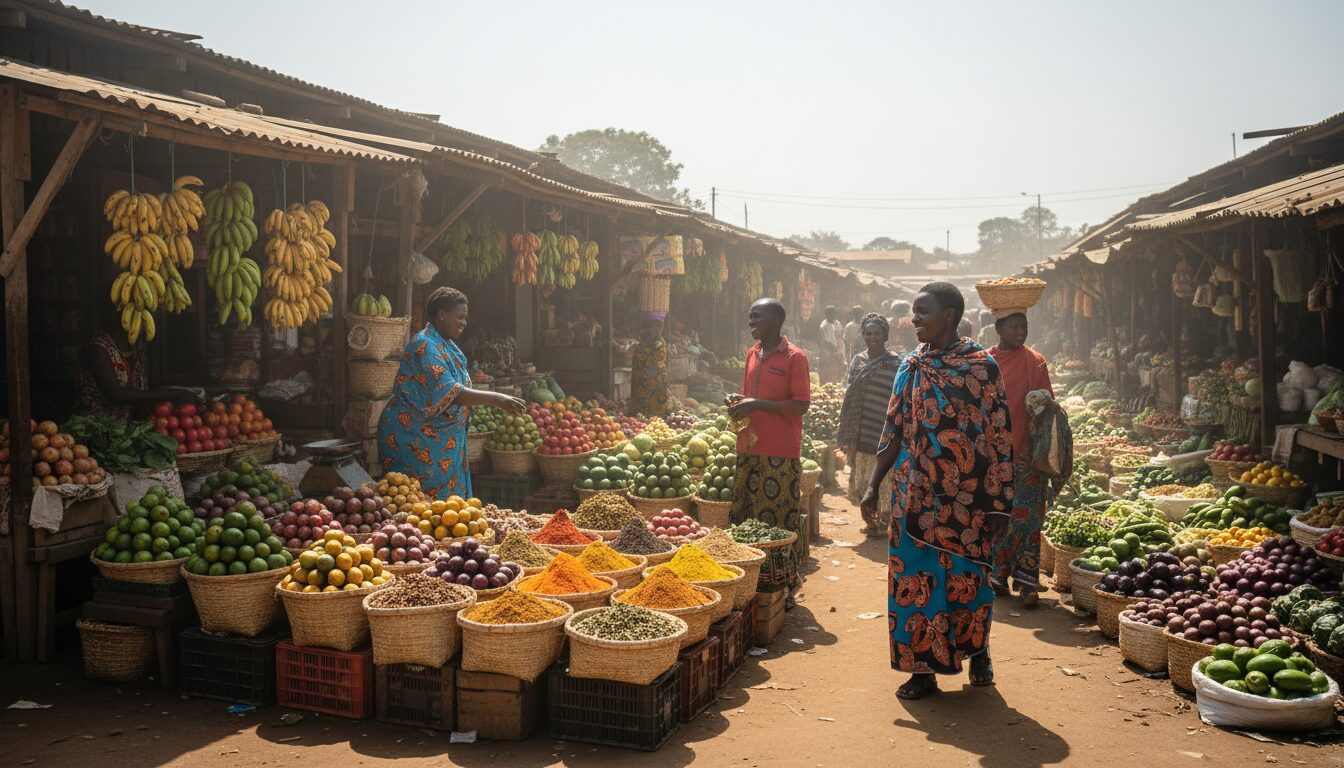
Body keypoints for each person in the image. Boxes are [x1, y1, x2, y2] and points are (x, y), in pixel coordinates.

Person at [860, 282, 1014, 700]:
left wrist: (1000, 503)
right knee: (914, 581)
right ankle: (921, 670)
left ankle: (978, 650)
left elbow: (999, 436)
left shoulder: (982, 367)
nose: (915, 320)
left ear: (950, 315)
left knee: (969, 580)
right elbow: (892, 430)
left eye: (923, 312)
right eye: (914, 312)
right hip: (913, 497)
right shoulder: (910, 366)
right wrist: (874, 484)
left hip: (968, 498)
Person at [379, 286, 525, 499]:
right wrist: (496, 398)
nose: (464, 323)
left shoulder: (446, 344)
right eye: (460, 317)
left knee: (450, 514)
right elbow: (451, 391)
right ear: (441, 315)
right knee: (419, 506)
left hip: (444, 441)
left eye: (466, 318)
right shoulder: (424, 345)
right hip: (415, 439)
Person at [729, 298, 811, 595]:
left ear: (775, 320)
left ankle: (783, 586)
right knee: (745, 518)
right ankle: (750, 583)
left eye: (757, 318)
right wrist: (739, 403)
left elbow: (801, 405)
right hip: (748, 449)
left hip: (779, 452)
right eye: (750, 317)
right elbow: (747, 394)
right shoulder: (752, 353)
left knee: (776, 521)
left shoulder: (794, 357)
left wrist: (757, 404)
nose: (751, 323)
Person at [986, 312, 1055, 608]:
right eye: (1014, 326)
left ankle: (1027, 581)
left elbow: (1050, 404)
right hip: (995, 454)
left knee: (1029, 519)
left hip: (1029, 454)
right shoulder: (985, 362)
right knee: (1000, 516)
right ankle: (997, 575)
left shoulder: (1036, 361)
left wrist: (1043, 403)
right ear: (998, 328)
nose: (1020, 331)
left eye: (1024, 326)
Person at [835, 313, 902, 537]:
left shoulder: (895, 362)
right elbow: (850, 392)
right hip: (860, 427)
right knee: (864, 478)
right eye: (868, 333)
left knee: (883, 478)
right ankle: (870, 519)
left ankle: (884, 520)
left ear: (885, 336)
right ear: (863, 335)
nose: (872, 337)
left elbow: (899, 396)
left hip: (883, 428)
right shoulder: (858, 360)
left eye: (877, 333)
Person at [74, 310, 195, 419]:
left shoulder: (136, 347)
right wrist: (171, 395)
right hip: (95, 426)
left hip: (125, 429)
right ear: (116, 317)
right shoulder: (96, 348)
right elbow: (115, 395)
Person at [629, 312, 670, 417]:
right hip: (643, 390)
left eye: (660, 327)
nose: (657, 330)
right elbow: (638, 371)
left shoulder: (661, 344)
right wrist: (652, 371)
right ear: (648, 328)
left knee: (659, 418)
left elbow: (664, 362)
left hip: (659, 390)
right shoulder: (640, 347)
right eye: (654, 327)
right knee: (641, 417)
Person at [818, 305, 845, 383]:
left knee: (838, 377)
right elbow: (829, 344)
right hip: (830, 356)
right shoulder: (824, 326)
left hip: (839, 354)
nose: (833, 315)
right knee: (829, 378)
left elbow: (841, 335)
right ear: (826, 314)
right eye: (830, 314)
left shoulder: (837, 323)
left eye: (834, 313)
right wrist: (836, 355)